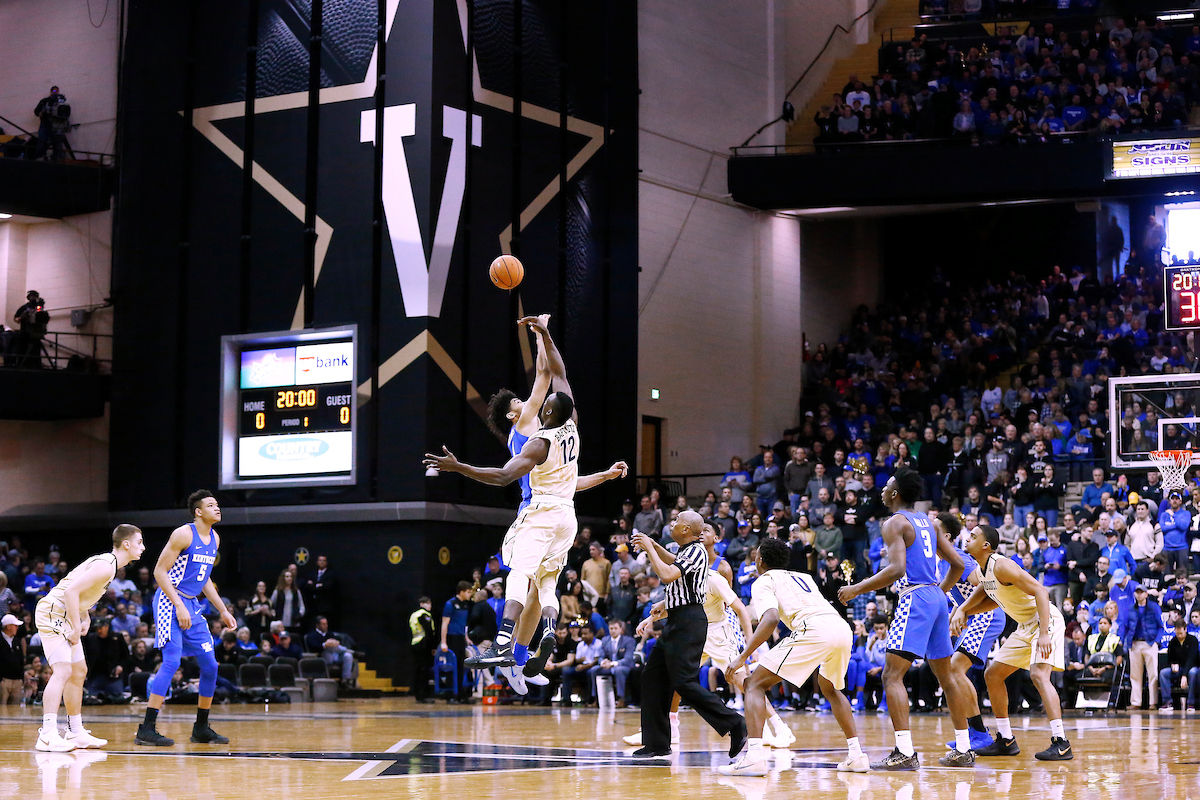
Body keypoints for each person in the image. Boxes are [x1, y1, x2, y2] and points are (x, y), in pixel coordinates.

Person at [470, 314, 626, 692]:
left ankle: (518, 661)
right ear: (513, 412)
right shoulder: (524, 426)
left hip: (555, 505)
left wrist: (603, 476)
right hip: (534, 511)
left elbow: (569, 483)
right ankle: (512, 655)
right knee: (526, 587)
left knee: (538, 598)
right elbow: (547, 375)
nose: (531, 401)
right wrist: (540, 333)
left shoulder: (544, 429)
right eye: (523, 402)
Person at [838, 469, 976, 769]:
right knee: (947, 676)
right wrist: (940, 592)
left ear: (895, 493)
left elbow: (898, 569)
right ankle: (964, 748)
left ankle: (904, 751)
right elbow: (956, 562)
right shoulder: (929, 521)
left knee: (891, 675)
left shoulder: (894, 523)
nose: (883, 490)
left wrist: (857, 588)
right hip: (936, 599)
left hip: (915, 596)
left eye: (887, 485)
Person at [719, 537, 868, 776]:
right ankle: (857, 755)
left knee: (753, 684)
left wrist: (742, 657)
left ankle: (754, 757)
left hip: (813, 628)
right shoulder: (804, 576)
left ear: (760, 560)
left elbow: (770, 619)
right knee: (830, 688)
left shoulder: (764, 580)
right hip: (840, 627)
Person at [628, 511, 747, 759]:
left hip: (690, 622)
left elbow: (668, 574)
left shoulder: (696, 550)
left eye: (676, 521)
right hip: (677, 620)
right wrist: (654, 544)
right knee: (652, 676)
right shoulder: (686, 551)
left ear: (685, 530)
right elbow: (673, 560)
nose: (672, 523)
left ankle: (735, 723)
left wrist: (649, 547)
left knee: (684, 682)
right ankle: (657, 743)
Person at [952, 524, 1072, 761]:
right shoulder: (983, 570)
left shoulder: (1002, 564)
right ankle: (1006, 740)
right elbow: (990, 596)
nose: (967, 540)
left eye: (973, 537)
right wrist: (964, 609)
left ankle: (1062, 742)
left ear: (986, 545)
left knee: (1039, 675)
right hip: (1025, 625)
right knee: (993, 674)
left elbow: (1041, 591)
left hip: (1045, 620)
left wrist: (1045, 633)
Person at [137, 491, 237, 747]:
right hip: (169, 601)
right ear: (198, 511)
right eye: (211, 505)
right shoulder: (184, 534)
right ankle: (146, 728)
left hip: (190, 604)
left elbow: (204, 581)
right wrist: (178, 605)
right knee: (171, 662)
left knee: (211, 666)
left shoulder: (214, 538)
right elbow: (160, 571)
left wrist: (223, 609)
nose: (217, 508)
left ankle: (201, 728)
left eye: (218, 505)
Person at [34, 524, 145, 752]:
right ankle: (47, 734)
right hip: (53, 612)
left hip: (65, 613)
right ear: (126, 544)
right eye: (139, 542)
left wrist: (85, 617)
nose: (143, 547)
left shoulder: (108, 564)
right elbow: (69, 592)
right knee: (63, 671)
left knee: (79, 671)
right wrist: (76, 626)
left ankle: (75, 732)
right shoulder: (106, 566)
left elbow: (76, 587)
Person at [935, 513, 1006, 753]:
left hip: (987, 614)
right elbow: (961, 593)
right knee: (953, 671)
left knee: (955, 669)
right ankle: (976, 731)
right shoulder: (942, 562)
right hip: (975, 615)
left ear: (944, 537)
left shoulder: (960, 560)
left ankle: (978, 733)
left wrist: (963, 610)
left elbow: (985, 585)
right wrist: (955, 612)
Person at [1124, 585, 1164, 710]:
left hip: (1150, 643)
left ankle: (1153, 702)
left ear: (1146, 594)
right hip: (1135, 643)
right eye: (1137, 592)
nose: (1139, 594)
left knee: (1153, 674)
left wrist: (1156, 642)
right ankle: (1136, 702)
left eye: (1141, 592)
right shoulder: (1130, 608)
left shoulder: (1154, 607)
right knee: (1135, 675)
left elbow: (1161, 627)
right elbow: (1125, 626)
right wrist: (1125, 641)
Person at [439, 582, 474, 704]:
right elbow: (445, 624)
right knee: (451, 666)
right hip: (451, 638)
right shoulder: (450, 604)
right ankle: (450, 694)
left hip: (460, 638)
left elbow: (463, 624)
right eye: (469, 592)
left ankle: (460, 694)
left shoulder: (465, 605)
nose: (470, 594)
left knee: (461, 666)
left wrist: (466, 637)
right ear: (462, 591)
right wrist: (443, 642)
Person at [304, 616, 357, 687]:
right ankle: (345, 649)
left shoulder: (330, 634)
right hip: (322, 656)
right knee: (328, 649)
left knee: (348, 656)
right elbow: (314, 647)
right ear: (317, 625)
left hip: (335, 655)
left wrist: (334, 643)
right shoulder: (312, 635)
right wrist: (325, 645)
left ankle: (346, 679)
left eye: (326, 624)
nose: (325, 626)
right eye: (323, 624)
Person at [1160, 620, 1199, 711]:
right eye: (1177, 633)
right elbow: (1169, 658)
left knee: (1193, 672)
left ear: (1185, 630)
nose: (1179, 636)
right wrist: (1172, 664)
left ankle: (1191, 703)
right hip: (1178, 669)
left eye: (1181, 633)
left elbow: (1192, 659)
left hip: (1191, 667)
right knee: (1163, 673)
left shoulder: (1193, 640)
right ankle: (1167, 702)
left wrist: (1184, 675)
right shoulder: (1173, 641)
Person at [409, 597, 436, 703]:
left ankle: (417, 694)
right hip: (423, 644)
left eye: (430, 603)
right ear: (422, 604)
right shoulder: (424, 615)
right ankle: (423, 695)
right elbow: (429, 631)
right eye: (427, 603)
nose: (429, 606)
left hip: (415, 642)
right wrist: (433, 646)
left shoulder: (414, 615)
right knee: (424, 670)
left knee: (417, 669)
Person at [0, 613, 24, 705]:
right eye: (15, 626)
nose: (17, 628)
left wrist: (21, 678)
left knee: (15, 710)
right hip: (3, 681)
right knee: (2, 710)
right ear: (8, 626)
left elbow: (21, 660)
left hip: (17, 682)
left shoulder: (17, 641)